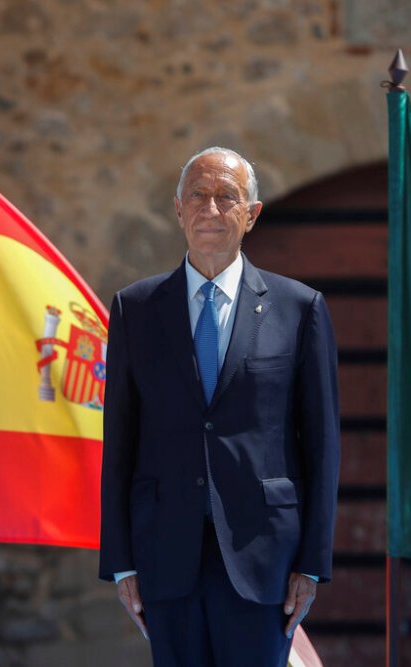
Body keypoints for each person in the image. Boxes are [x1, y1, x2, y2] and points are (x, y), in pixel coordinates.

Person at [99, 147, 340, 666]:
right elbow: (119, 440)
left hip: (265, 558)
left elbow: (322, 446)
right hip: (165, 553)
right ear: (178, 210)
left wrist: (312, 563)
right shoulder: (134, 309)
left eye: (226, 197)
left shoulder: (299, 309)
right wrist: (121, 562)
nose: (210, 209)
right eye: (197, 196)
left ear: (251, 215)